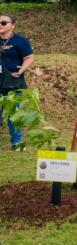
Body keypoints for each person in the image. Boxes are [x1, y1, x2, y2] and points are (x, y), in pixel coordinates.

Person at [0, 14, 34, 150]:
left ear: (13, 25)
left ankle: (17, 141)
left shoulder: (20, 41)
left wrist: (21, 71)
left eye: (3, 22)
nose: (0, 25)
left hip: (12, 83)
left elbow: (29, 57)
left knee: (14, 113)